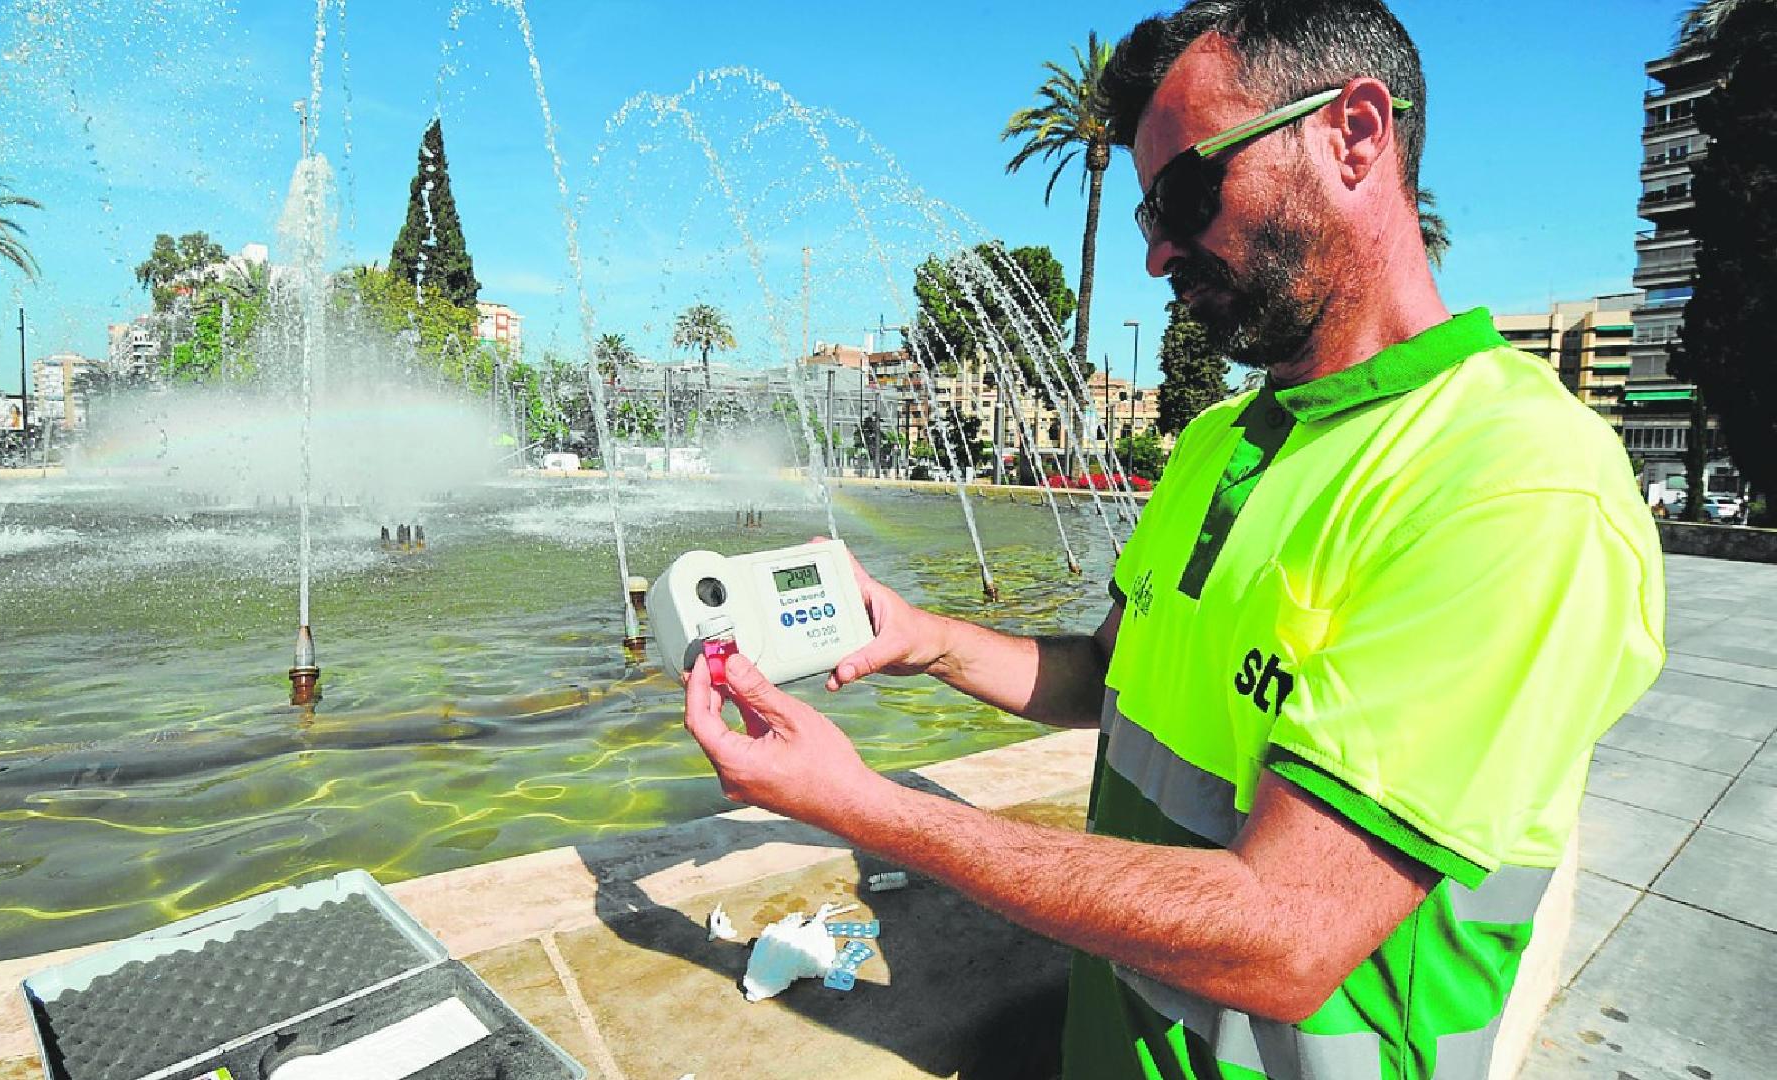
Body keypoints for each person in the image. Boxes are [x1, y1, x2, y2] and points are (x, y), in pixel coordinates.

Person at [679, 1, 1666, 1076]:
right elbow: (1112, 677)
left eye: (1188, 192)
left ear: (1356, 134)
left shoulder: (1513, 481)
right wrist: (928, 639)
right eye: (1149, 208)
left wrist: (870, 806)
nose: (1155, 251)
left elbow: (1284, 935)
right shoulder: (1217, 442)